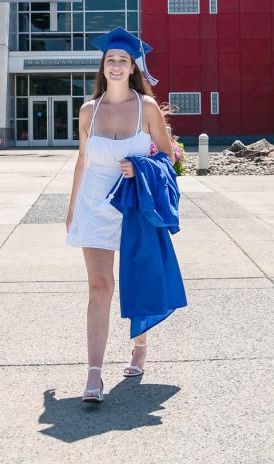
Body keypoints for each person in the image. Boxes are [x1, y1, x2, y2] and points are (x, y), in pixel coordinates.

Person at [65, 27, 177, 403]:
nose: (115, 65)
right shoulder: (87, 110)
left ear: (132, 68)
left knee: (137, 280)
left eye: (123, 60)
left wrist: (141, 168)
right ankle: (94, 374)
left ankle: (140, 346)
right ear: (103, 66)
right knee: (99, 286)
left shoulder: (146, 109)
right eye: (110, 59)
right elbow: (82, 160)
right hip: (94, 208)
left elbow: (170, 159)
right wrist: (71, 209)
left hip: (133, 210)